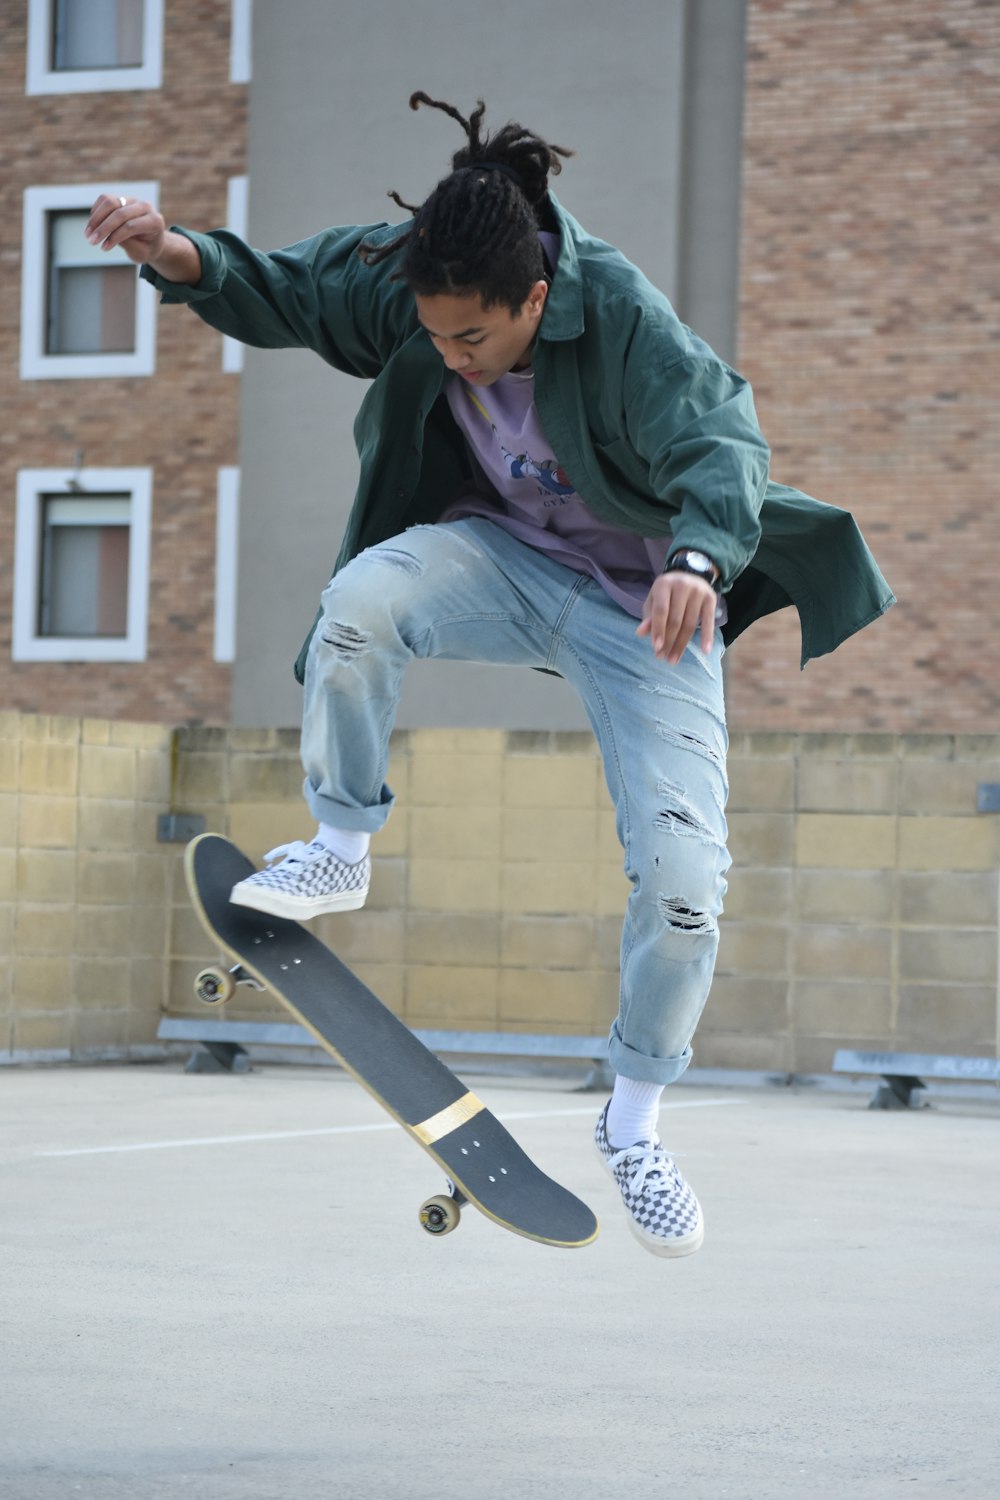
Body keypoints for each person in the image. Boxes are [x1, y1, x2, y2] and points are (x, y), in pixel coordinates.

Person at [87, 93, 893, 1259]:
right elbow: (295, 288)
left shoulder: (618, 314)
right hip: (500, 559)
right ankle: (341, 847)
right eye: (436, 339)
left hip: (644, 614)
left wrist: (699, 561)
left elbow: (723, 441)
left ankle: (633, 1123)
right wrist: (174, 251)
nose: (452, 356)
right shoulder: (422, 293)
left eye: (474, 340)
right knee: (361, 602)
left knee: (684, 889)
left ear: (535, 299)